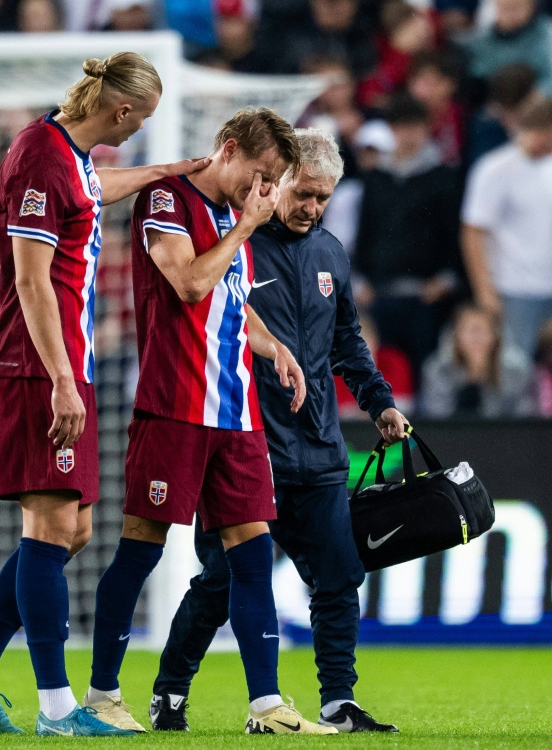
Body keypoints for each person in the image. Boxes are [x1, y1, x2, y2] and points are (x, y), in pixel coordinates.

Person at [0, 53, 209, 736]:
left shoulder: (65, 153)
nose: (141, 129)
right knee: (51, 527)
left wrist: (164, 172)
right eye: (142, 120)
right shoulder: (37, 158)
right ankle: (58, 709)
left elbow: (92, 188)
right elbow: (30, 281)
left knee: (72, 531)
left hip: (63, 364)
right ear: (121, 112)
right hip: (34, 365)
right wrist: (61, 379)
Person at [84, 109, 337, 736]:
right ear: (228, 150)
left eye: (275, 182)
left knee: (252, 559)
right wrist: (249, 224)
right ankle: (100, 696)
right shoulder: (169, 200)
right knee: (140, 552)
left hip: (237, 413)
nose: (267, 191)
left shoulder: (236, 213)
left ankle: (267, 707)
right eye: (262, 175)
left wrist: (274, 346)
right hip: (173, 409)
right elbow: (192, 283)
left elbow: (229, 301)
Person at [147, 128, 408, 733]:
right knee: (221, 581)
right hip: (245, 443)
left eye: (323, 198)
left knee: (341, 576)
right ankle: (170, 693)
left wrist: (380, 403)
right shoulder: (232, 243)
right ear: (277, 180)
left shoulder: (331, 254)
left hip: (317, 450)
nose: (312, 208)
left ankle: (337, 702)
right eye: (304, 193)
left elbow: (346, 342)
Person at [462, 98, 552, 358]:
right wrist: (484, 290)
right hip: (513, 289)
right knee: (517, 367)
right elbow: (473, 232)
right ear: (544, 131)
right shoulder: (494, 169)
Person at [354, 94, 463, 375]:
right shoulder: (375, 179)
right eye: (401, 127)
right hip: (380, 294)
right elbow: (365, 232)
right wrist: (360, 280)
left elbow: (453, 234)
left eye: (415, 127)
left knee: (424, 371)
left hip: (426, 296)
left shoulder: (444, 178)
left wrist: (445, 279)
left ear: (427, 129)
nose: (409, 135)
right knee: (380, 371)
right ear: (391, 130)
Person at [421, 303, 536, 417]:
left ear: (495, 336)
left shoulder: (516, 371)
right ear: (456, 336)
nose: (476, 336)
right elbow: (437, 418)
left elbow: (523, 420)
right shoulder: (438, 370)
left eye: (483, 329)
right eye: (470, 329)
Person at [465, 0, 552, 93]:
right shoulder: (481, 42)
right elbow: (478, 77)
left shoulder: (548, 35)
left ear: (531, 7)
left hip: (537, 99)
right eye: (505, 8)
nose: (510, 14)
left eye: (516, 7)